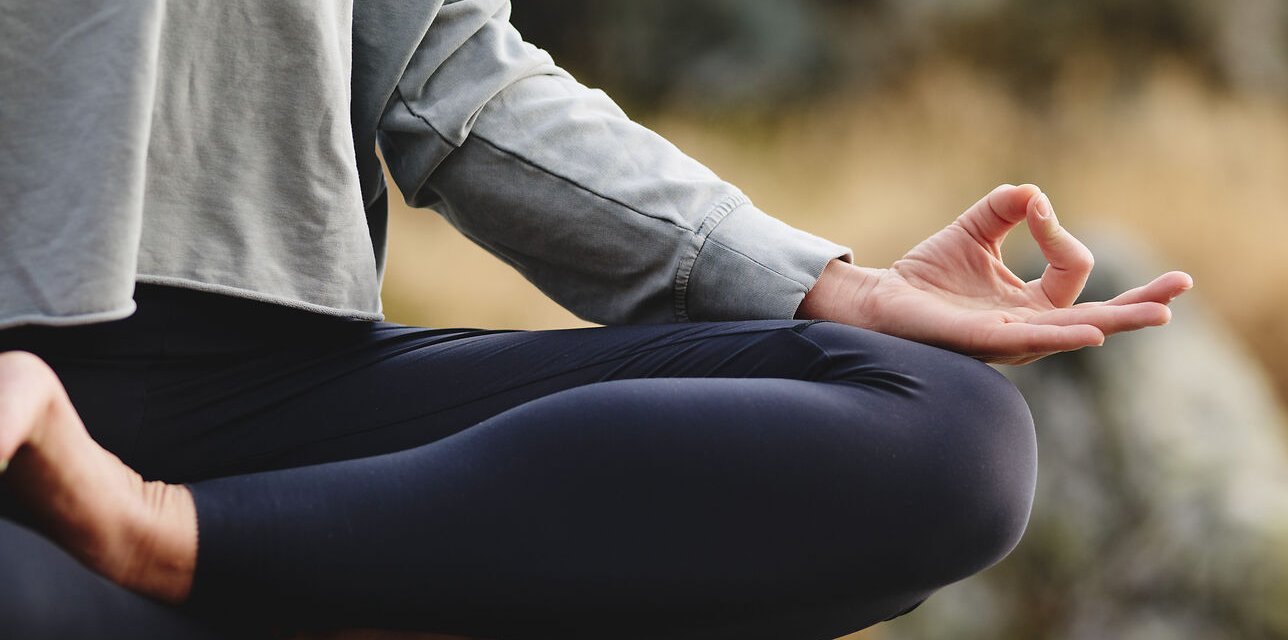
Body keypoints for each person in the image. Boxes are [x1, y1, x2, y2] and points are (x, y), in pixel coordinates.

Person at [0, 0, 1191, 638]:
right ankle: (319, 581)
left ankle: (181, 544)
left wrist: (832, 288)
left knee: (946, 433)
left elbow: (446, 69)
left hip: (276, 396)